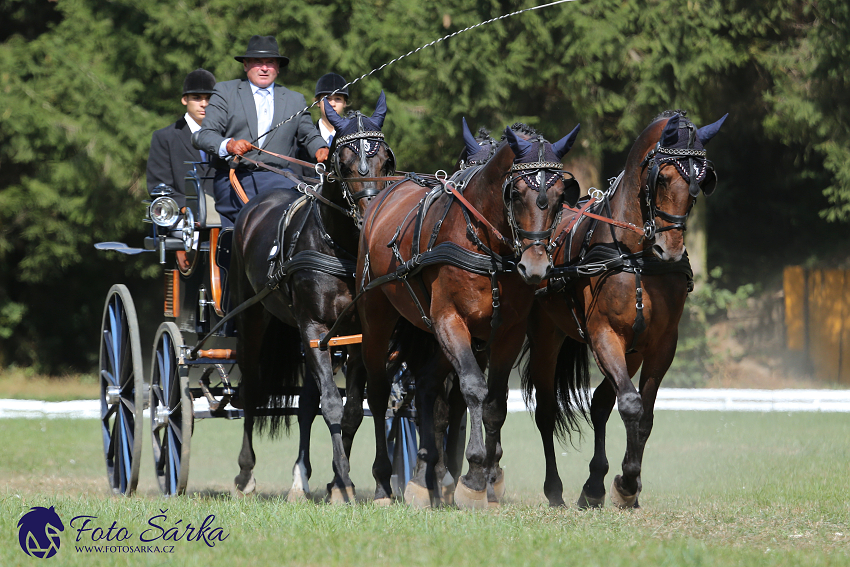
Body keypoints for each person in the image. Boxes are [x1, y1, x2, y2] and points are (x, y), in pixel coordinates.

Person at [193, 35, 328, 227]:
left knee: (307, 214)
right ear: (246, 65)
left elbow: (309, 134)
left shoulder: (294, 99)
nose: (264, 68)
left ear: (278, 68)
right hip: (234, 178)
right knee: (261, 218)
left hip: (280, 179)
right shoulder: (225, 92)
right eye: (258, 62)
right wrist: (229, 145)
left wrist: (320, 148)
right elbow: (206, 135)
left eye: (270, 62)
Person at [146, 68, 217, 207]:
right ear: (185, 99)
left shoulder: (226, 137)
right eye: (196, 98)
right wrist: (191, 208)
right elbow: (158, 186)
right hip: (181, 220)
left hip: (224, 219)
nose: (204, 104)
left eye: (209, 98)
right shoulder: (164, 137)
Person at [291, 72, 350, 178]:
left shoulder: (354, 138)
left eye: (338, 99)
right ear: (317, 102)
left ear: (345, 103)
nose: (332, 104)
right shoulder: (302, 140)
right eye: (327, 99)